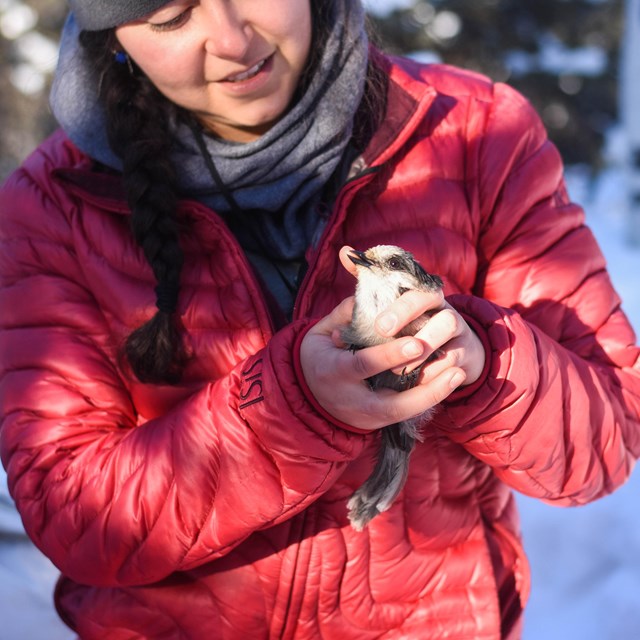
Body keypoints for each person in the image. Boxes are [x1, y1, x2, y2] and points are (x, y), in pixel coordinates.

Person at [0, 0, 638, 638]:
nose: (231, 39)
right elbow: (74, 518)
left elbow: (607, 442)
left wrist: (485, 360)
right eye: (172, 19)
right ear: (111, 32)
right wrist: (288, 412)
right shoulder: (52, 210)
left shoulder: (477, 136)